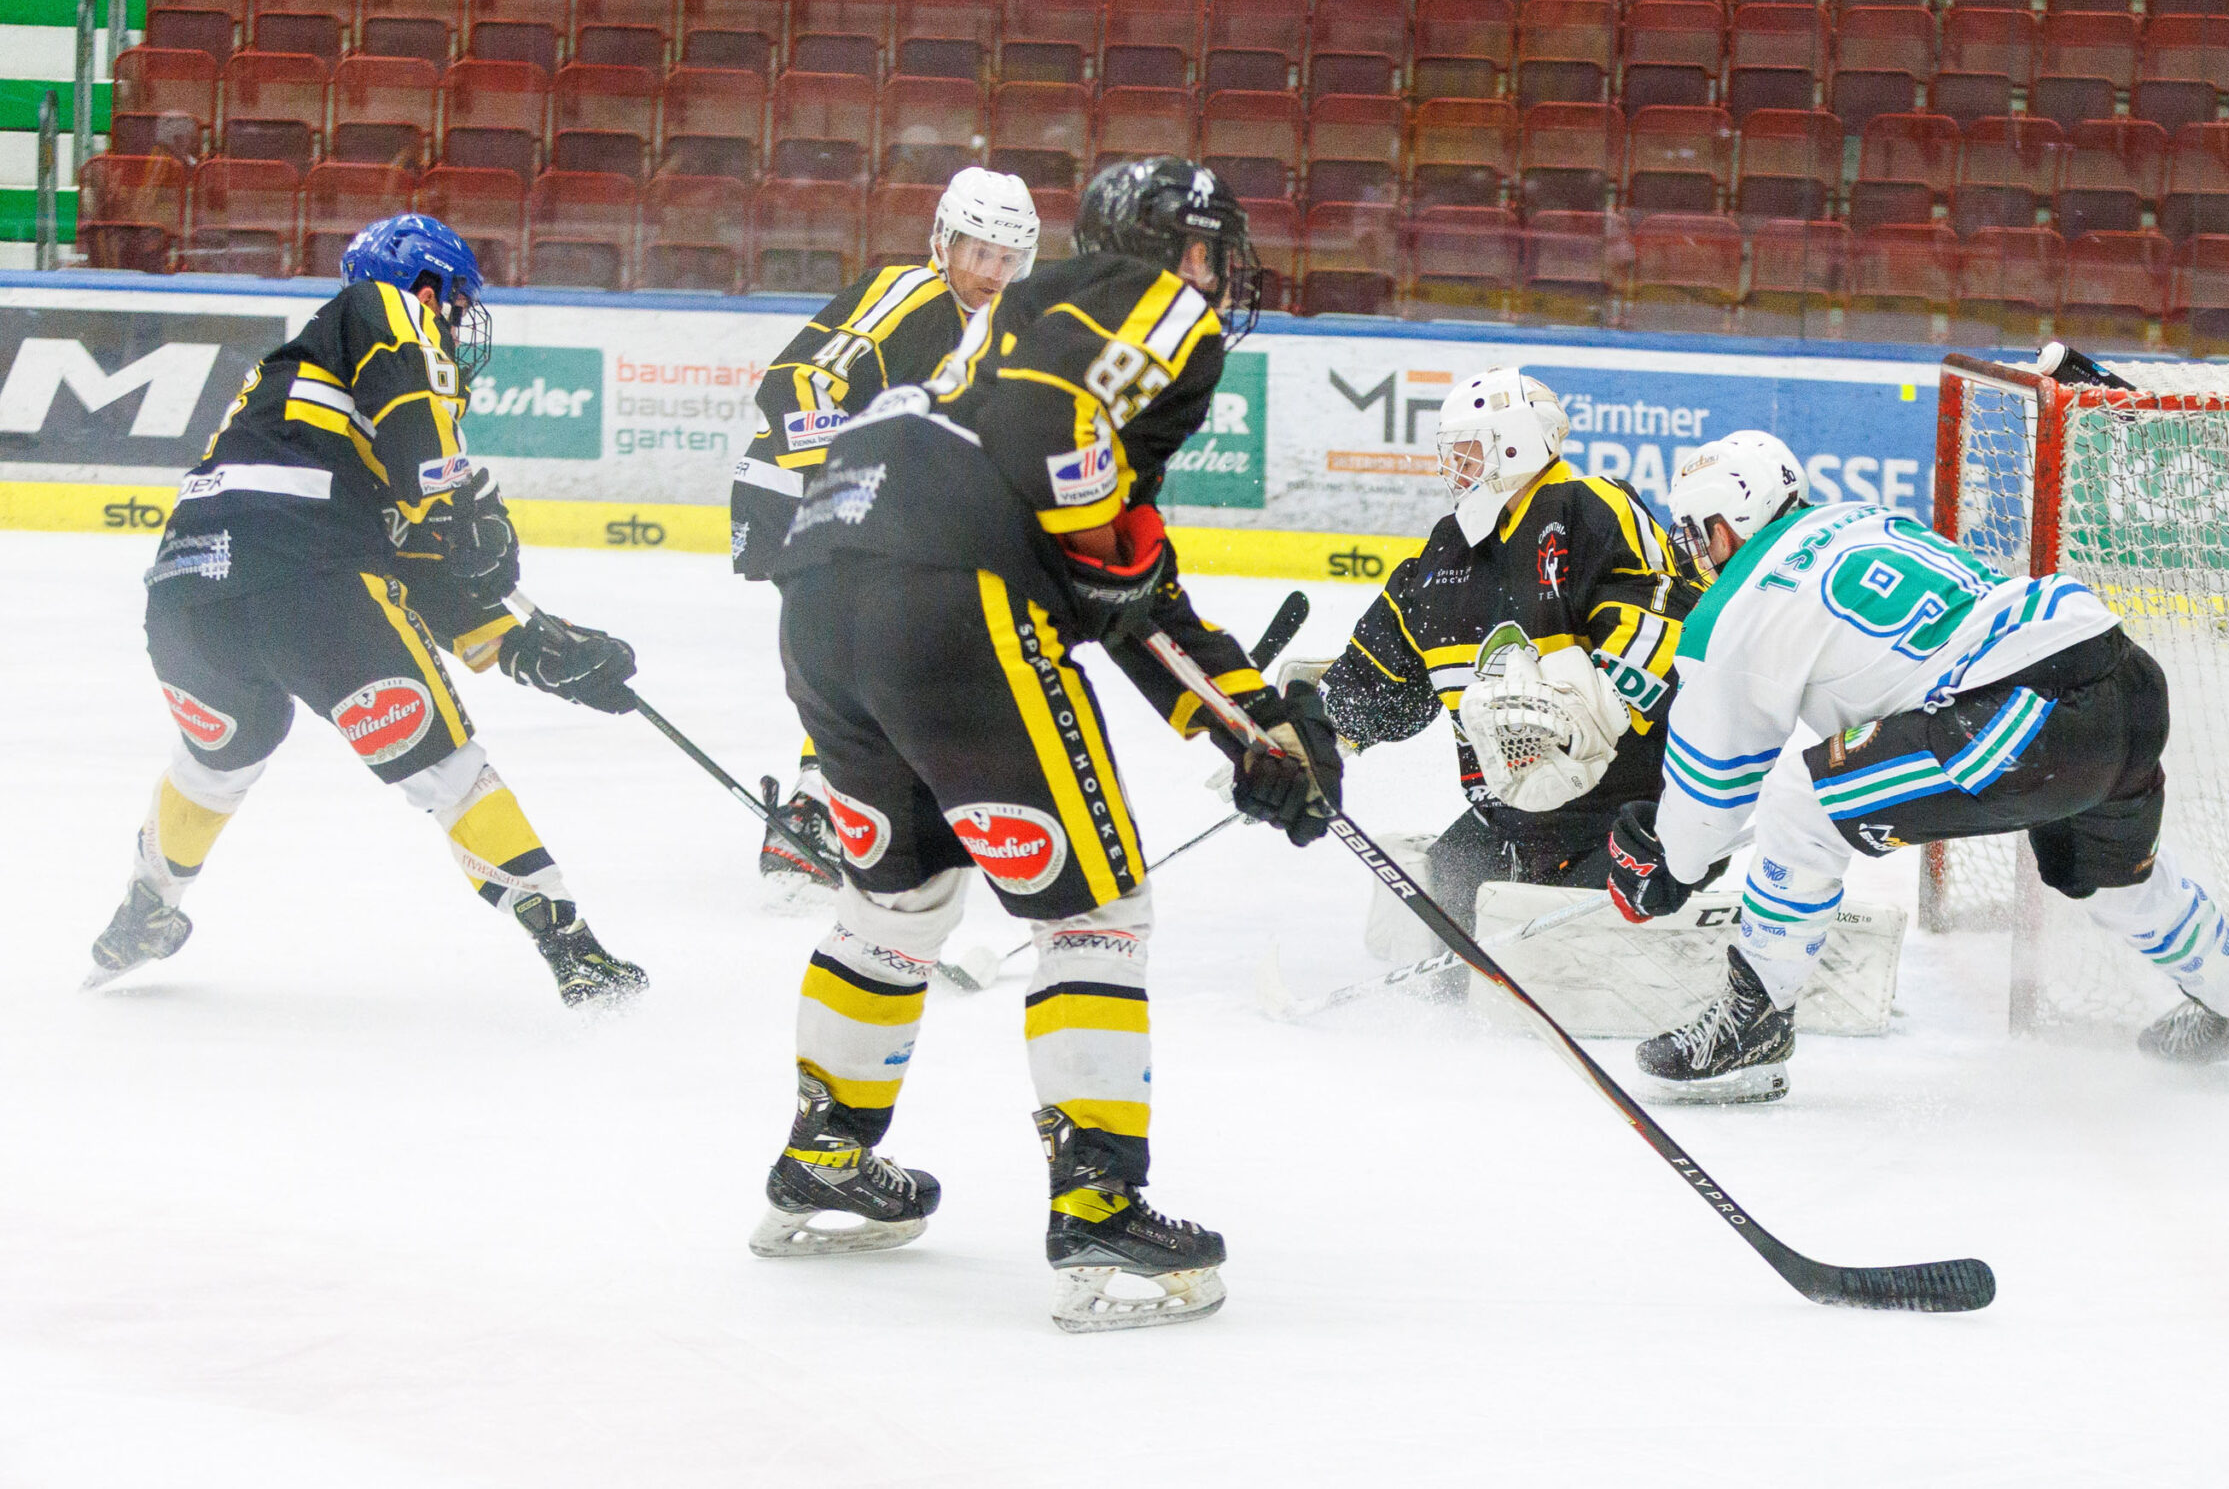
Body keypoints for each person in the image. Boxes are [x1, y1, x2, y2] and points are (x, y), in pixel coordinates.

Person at [750, 158, 1342, 1333]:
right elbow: (1069, 497)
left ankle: (823, 1160)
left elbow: (1129, 594)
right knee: (1095, 913)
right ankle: (1099, 1209)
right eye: (1202, 250)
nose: (1214, 278)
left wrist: (1250, 728)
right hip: (950, 603)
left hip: (825, 601)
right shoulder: (1148, 309)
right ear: (1155, 250)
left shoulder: (1015, 329)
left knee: (897, 906)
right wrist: (1098, 558)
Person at [1605, 428, 2229, 1104]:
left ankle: (1754, 1021)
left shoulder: (1738, 606)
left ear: (1727, 524)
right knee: (2114, 877)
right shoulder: (1860, 518)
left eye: (1696, 532)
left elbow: (1709, 803)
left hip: (2023, 717)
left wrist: (1669, 862)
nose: (1697, 553)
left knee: (1801, 801)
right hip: (2119, 674)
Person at [90, 215, 651, 1007]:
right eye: (456, 302)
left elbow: (413, 568)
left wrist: (533, 646)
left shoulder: (309, 411)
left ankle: (144, 908)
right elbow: (403, 507)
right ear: (425, 287)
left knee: (219, 760)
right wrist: (453, 495)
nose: (457, 321)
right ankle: (574, 952)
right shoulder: (380, 307)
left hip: (185, 594)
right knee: (449, 774)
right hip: (309, 584)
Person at [731, 168, 1043, 894]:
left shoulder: (993, 333)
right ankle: (820, 810)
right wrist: (863, 472)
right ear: (943, 241)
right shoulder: (909, 293)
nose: (992, 273)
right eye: (979, 252)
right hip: (804, 498)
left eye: (1009, 258)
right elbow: (796, 383)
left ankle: (830, 805)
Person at [1317, 369, 1704, 931]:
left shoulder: (1587, 508)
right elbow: (1389, 667)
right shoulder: (1447, 548)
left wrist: (1600, 711)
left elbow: (1664, 625)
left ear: (1518, 442)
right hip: (1506, 816)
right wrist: (1317, 732)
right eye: (1451, 454)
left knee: (1555, 950)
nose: (1454, 468)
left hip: (1620, 816)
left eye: (1468, 451)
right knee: (1445, 888)